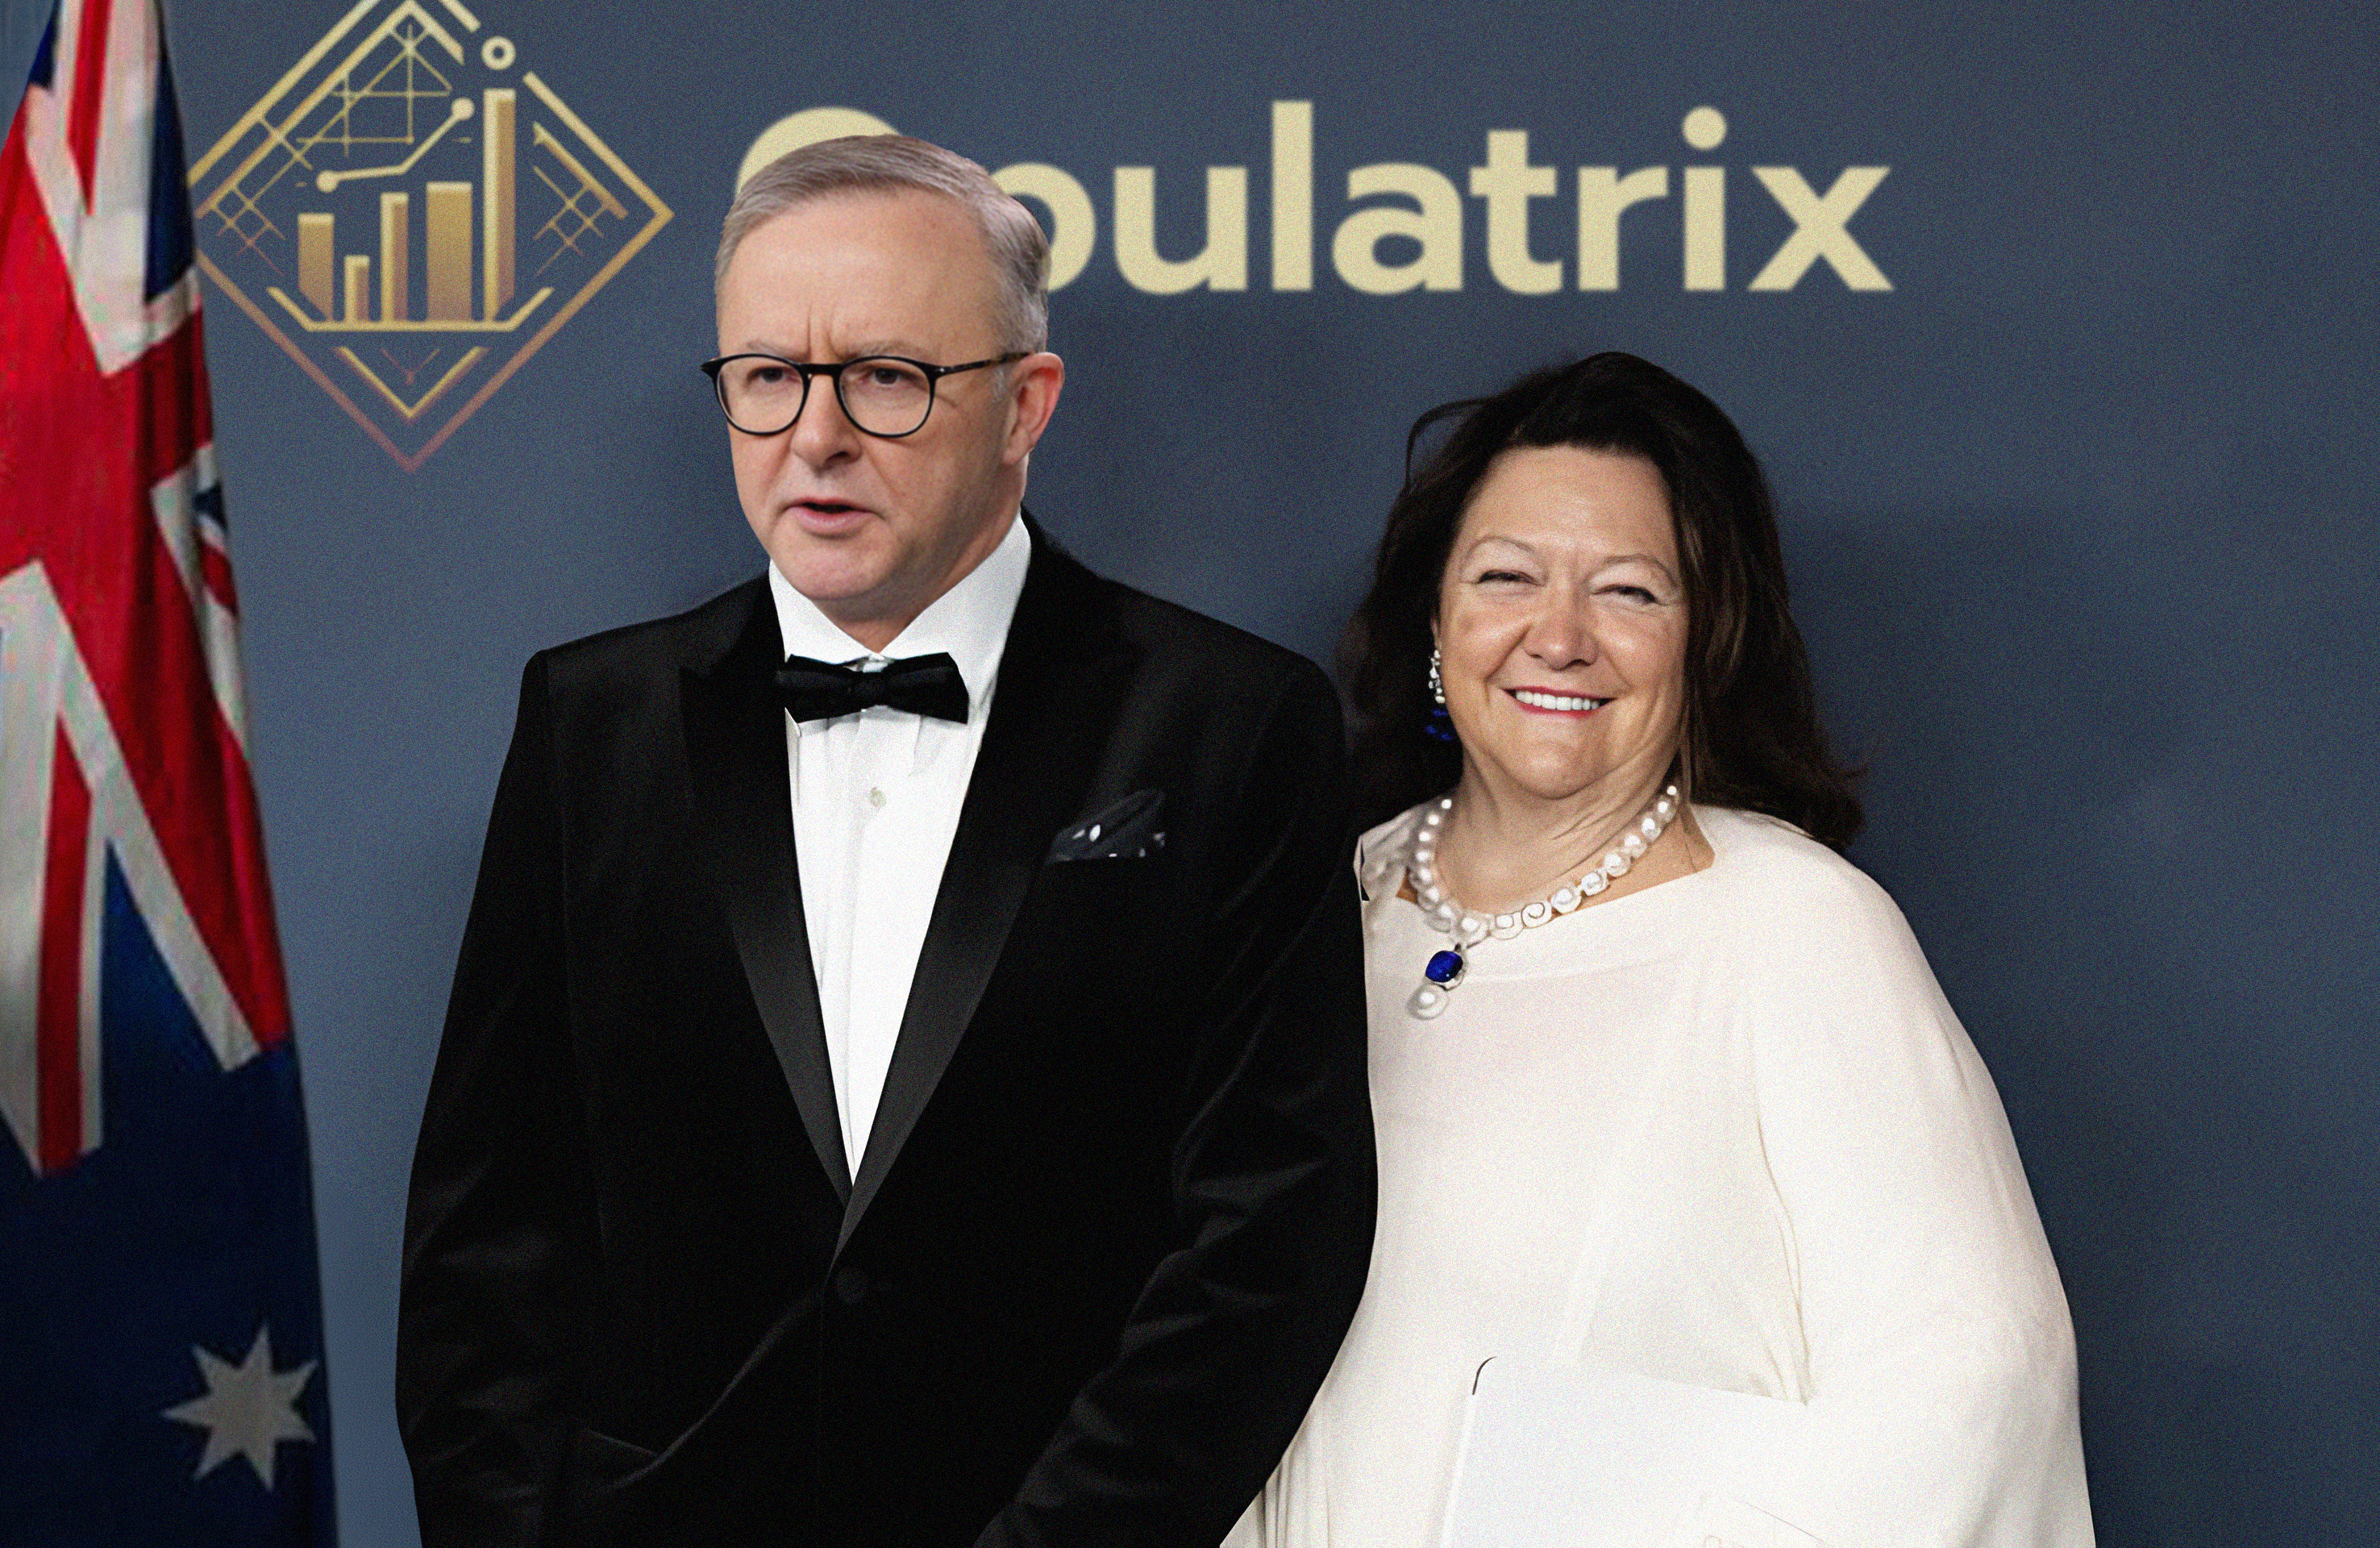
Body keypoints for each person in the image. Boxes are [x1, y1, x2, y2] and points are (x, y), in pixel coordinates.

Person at [395, 135, 1376, 1548]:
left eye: (887, 379)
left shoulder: (1226, 723)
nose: (816, 436)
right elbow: (488, 1242)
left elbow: (1269, 1233)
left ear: (1027, 404)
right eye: (768, 378)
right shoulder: (590, 721)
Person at [1231, 353, 2092, 1546]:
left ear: (1708, 638)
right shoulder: (1313, 907)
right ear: (1437, 621)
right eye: (1505, 577)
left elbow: (1977, 1388)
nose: (1561, 636)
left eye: (1630, 592)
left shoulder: (1795, 930)